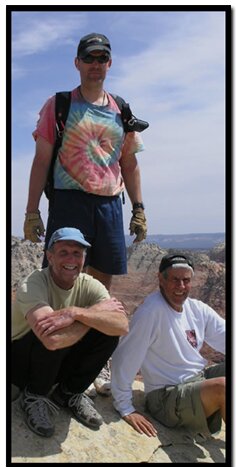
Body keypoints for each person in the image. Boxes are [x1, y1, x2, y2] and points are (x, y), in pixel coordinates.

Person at [23, 32, 147, 292]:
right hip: (69, 202)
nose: (95, 63)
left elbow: (129, 163)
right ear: (77, 63)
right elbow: (41, 161)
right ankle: (56, 330)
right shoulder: (59, 105)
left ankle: (93, 331)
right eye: (88, 57)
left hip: (110, 204)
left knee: (100, 286)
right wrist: (32, 212)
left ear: (109, 63)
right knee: (61, 281)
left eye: (102, 57)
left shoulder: (121, 109)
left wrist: (138, 209)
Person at [12, 227, 128, 438]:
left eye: (77, 253)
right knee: (56, 328)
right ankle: (34, 395)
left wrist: (75, 313)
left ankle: (68, 393)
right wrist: (92, 315)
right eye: (63, 252)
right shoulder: (34, 283)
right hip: (20, 360)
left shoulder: (90, 284)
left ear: (84, 257)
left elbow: (121, 325)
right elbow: (52, 340)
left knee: (107, 332)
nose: (71, 259)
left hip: (54, 360)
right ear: (50, 256)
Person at [111, 253, 225, 438]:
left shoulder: (197, 309)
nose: (181, 287)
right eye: (175, 280)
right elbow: (124, 358)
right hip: (166, 396)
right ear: (161, 280)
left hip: (196, 380)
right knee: (224, 387)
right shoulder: (151, 313)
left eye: (186, 281)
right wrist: (125, 407)